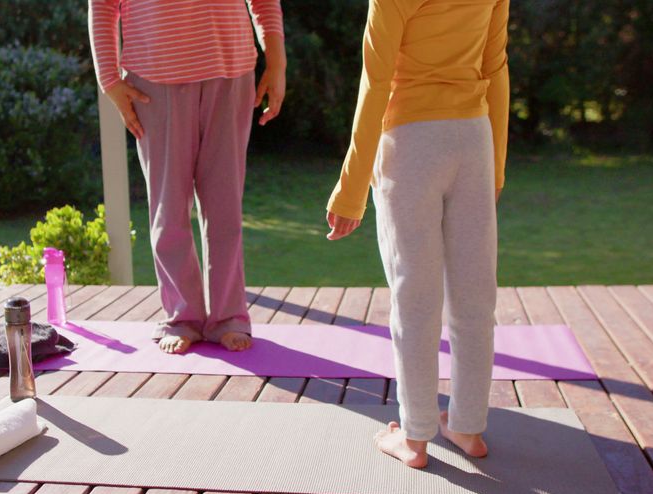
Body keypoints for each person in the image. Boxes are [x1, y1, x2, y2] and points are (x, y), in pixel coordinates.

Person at [326, 0, 509, 468]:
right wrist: (496, 170)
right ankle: (468, 428)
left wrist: (350, 192)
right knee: (474, 292)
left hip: (411, 143)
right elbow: (496, 68)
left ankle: (415, 438)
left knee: (415, 294)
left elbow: (376, 84)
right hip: (474, 138)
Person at [89, 0, 287, 354]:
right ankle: (182, 317)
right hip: (153, 82)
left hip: (230, 73)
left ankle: (229, 317)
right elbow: (102, 6)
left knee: (225, 207)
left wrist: (277, 62)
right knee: (168, 208)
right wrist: (109, 81)